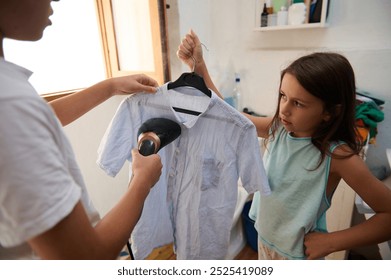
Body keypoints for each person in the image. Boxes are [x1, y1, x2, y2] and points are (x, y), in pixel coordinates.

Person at [177, 30, 391, 260]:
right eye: (283, 96)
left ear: (330, 111)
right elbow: (229, 118)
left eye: (298, 103)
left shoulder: (338, 156)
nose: (284, 109)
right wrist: (200, 68)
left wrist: (331, 242)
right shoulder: (279, 129)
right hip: (265, 243)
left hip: (296, 257)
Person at [0, 0, 162, 259]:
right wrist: (142, 181)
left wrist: (109, 87)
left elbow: (41, 117)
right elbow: (85, 258)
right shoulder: (10, 105)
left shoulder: (10, 95)